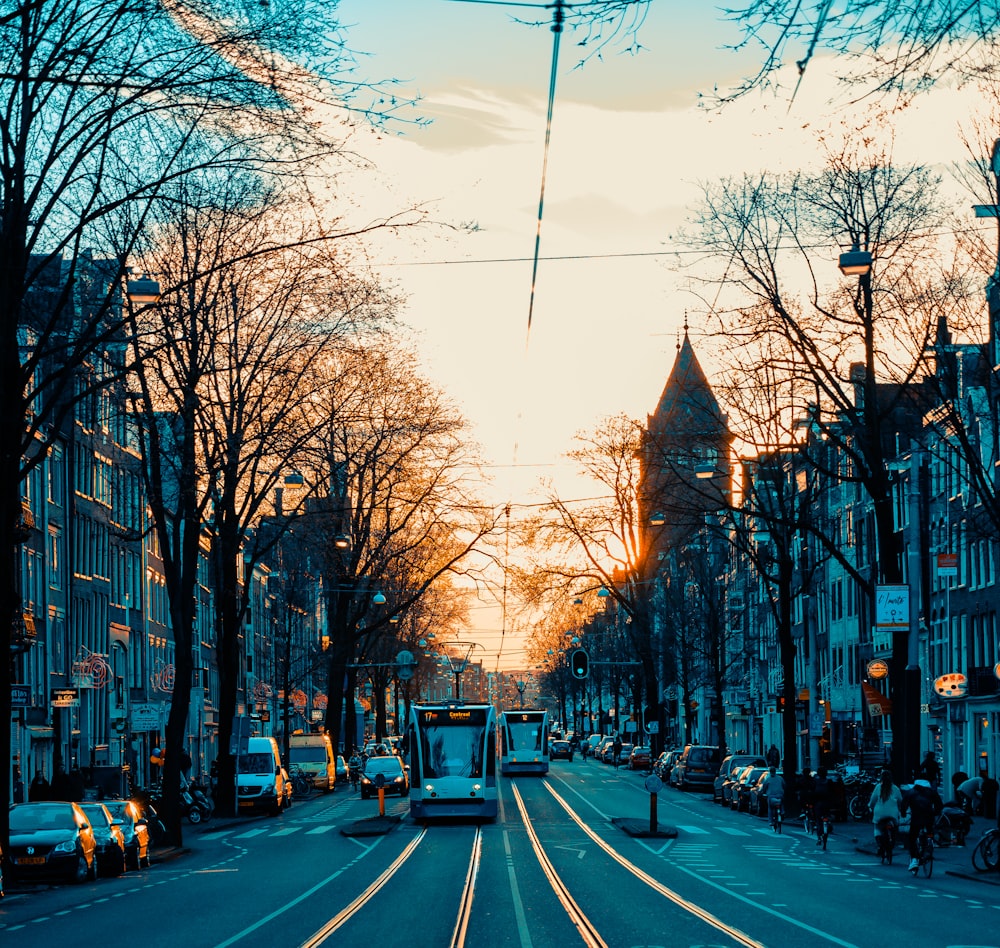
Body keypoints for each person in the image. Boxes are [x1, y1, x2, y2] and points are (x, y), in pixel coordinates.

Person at [901, 778, 943, 874]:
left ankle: (914, 859)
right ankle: (929, 843)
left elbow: (903, 805)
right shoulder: (932, 792)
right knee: (929, 833)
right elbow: (939, 806)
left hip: (916, 818)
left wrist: (903, 814)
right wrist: (935, 813)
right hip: (929, 818)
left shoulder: (910, 792)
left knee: (912, 838)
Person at [868, 769, 902, 855]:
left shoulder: (878, 787)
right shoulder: (895, 788)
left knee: (877, 828)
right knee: (894, 827)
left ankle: (879, 845)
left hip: (879, 813)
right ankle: (892, 840)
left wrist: (871, 807)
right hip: (893, 814)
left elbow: (872, 801)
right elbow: (900, 801)